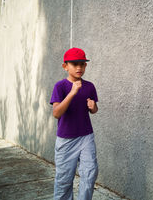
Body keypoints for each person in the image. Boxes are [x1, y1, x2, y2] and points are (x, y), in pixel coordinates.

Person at [50, 47, 99, 200]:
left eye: (82, 64)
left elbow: (94, 110)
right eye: (74, 64)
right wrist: (72, 93)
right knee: (64, 180)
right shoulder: (60, 86)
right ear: (65, 66)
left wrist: (93, 106)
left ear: (86, 66)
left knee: (90, 174)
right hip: (66, 140)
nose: (79, 67)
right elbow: (56, 113)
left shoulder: (89, 86)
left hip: (86, 137)